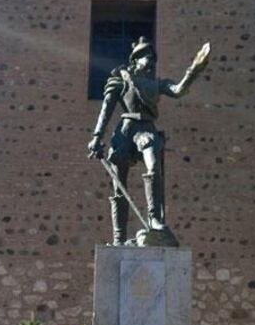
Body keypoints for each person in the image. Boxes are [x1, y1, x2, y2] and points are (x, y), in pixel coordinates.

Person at [88, 36, 210, 246]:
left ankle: (154, 219)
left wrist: (195, 69)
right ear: (135, 60)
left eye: (153, 57)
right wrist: (97, 137)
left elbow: (178, 90)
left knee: (154, 166)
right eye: (146, 56)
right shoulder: (121, 79)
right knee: (119, 188)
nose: (151, 60)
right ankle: (119, 238)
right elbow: (106, 109)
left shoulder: (156, 84)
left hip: (146, 130)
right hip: (125, 131)